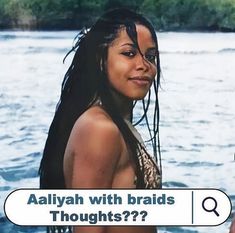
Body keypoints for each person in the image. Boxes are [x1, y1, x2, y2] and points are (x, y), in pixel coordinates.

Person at [39, 8, 162, 233]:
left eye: (151, 56)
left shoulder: (116, 123)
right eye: (129, 53)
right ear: (101, 60)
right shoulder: (100, 129)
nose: (144, 65)